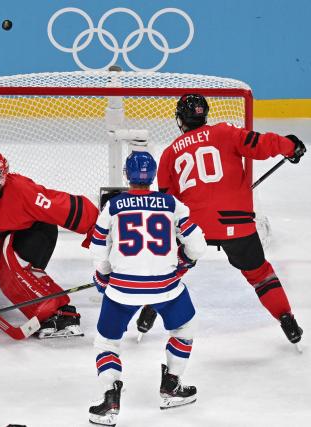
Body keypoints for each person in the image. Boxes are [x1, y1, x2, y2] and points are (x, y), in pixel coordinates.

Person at [151, 93, 307, 347]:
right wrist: (289, 146)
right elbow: (261, 144)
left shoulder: (169, 154)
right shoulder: (225, 132)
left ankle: (150, 308)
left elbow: (168, 203)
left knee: (169, 270)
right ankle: (285, 317)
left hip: (194, 226)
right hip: (236, 221)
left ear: (180, 120)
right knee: (260, 274)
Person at [87, 151, 206, 425]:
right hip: (166, 286)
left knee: (106, 343)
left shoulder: (113, 205)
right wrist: (185, 260)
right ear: (152, 176)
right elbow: (197, 246)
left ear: (127, 176)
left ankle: (110, 398)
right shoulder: (171, 203)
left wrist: (103, 276)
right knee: (185, 328)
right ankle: (171, 386)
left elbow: (98, 248)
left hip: (121, 290)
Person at [0, 151, 99, 338]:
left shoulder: (22, 191)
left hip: (35, 234)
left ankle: (60, 313)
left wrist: (97, 228)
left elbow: (60, 206)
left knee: (8, 263)